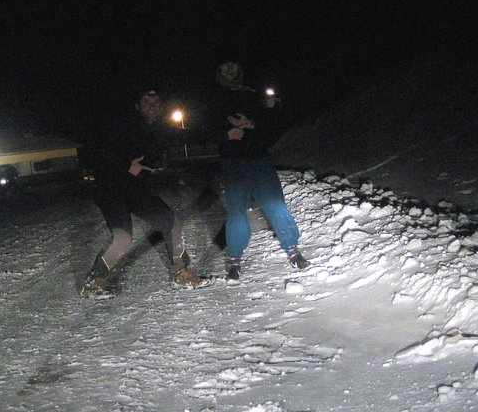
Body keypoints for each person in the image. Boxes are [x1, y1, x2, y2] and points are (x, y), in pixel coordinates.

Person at [81, 89, 203, 297]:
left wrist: (226, 133)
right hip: (110, 188)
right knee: (122, 238)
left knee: (171, 221)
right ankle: (94, 281)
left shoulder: (160, 130)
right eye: (146, 101)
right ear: (137, 106)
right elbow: (92, 150)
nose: (152, 106)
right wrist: (125, 165)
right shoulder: (121, 125)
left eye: (156, 102)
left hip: (137, 191)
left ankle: (183, 273)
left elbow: (190, 134)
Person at [208, 59, 308, 283]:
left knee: (276, 205)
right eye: (225, 66)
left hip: (261, 160)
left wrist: (253, 123)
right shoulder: (214, 99)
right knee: (236, 212)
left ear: (239, 70)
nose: (229, 69)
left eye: (233, 65)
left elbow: (272, 128)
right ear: (219, 71)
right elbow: (204, 132)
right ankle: (234, 260)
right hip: (234, 163)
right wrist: (227, 135)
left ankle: (293, 250)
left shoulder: (253, 95)